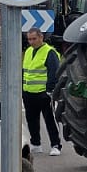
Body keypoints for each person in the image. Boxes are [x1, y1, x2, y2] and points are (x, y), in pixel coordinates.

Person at [21, 27, 61, 156]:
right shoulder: (28, 51)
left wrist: (49, 90)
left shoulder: (49, 52)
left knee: (49, 120)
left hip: (44, 92)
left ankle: (55, 144)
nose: (31, 42)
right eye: (29, 39)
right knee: (31, 119)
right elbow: (25, 71)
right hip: (28, 92)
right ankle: (36, 143)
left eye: (34, 39)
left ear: (41, 37)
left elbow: (54, 72)